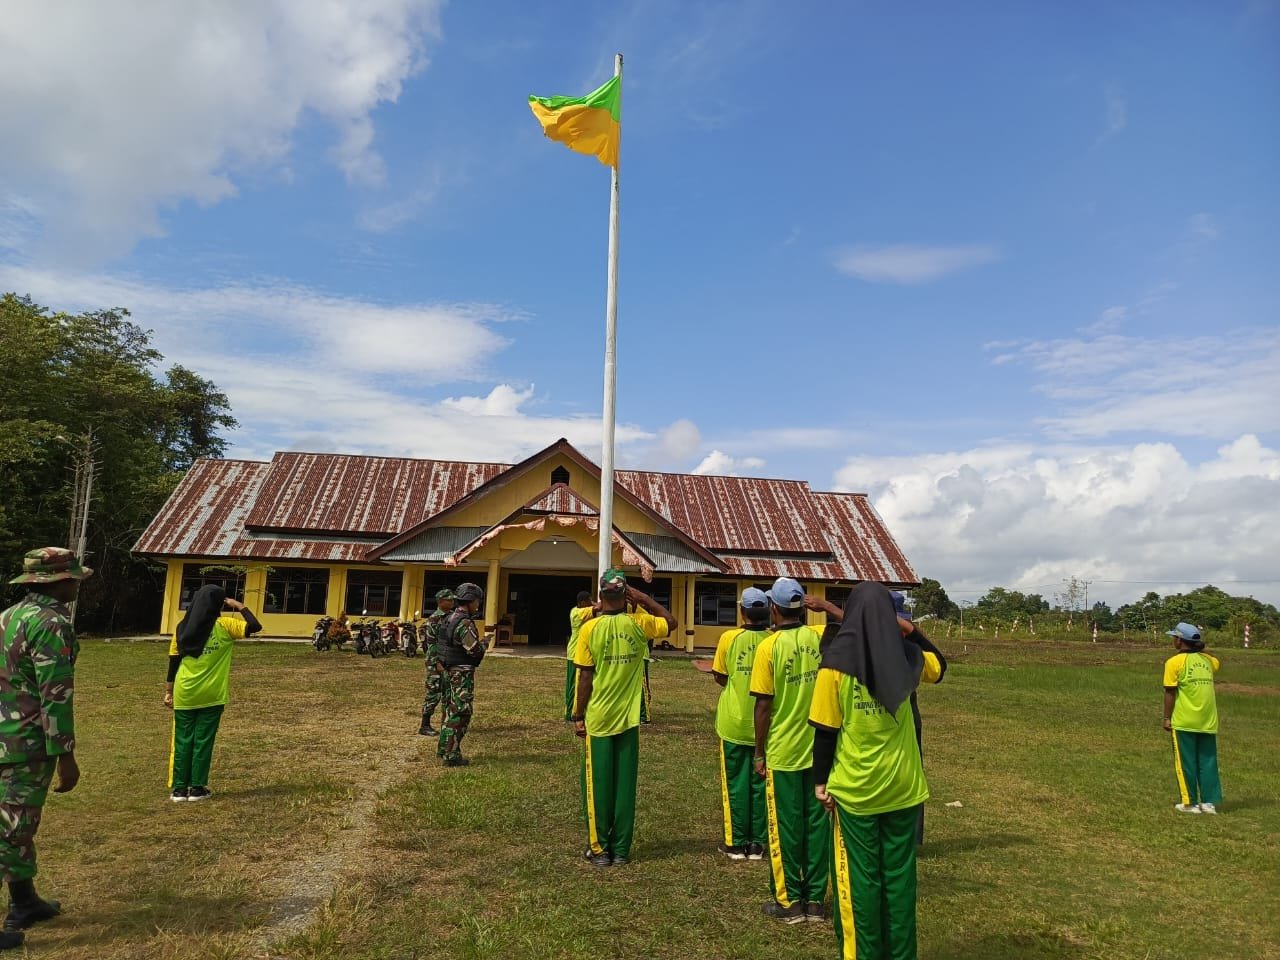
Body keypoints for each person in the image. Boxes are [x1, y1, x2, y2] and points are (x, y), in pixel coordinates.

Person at [809, 581, 944, 960]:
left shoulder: (834, 664)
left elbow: (825, 732)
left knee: (862, 880)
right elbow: (940, 665)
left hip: (857, 791)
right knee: (899, 882)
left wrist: (820, 782)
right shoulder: (908, 657)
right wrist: (910, 629)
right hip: (903, 787)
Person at [0, 548, 89, 951]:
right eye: (73, 578)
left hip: (5, 734)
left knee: (14, 823)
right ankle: (18, 909)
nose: (77, 584)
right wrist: (65, 754)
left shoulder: (9, 616)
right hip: (25, 744)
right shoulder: (51, 623)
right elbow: (55, 693)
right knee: (11, 830)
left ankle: (24, 902)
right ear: (59, 582)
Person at [572, 569, 675, 866]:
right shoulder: (640, 624)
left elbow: (585, 676)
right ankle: (621, 850)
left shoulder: (590, 629)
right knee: (624, 787)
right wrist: (645, 599)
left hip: (600, 718)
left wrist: (578, 714)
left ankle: (600, 849)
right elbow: (671, 623)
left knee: (598, 784)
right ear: (626, 594)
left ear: (601, 594)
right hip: (628, 719)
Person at [750, 576, 828, 923]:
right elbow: (852, 625)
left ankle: (789, 902)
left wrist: (759, 751)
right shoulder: (819, 637)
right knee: (817, 827)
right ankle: (815, 901)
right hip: (821, 750)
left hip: (784, 752)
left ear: (774, 608)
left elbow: (763, 705)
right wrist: (826, 606)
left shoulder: (769, 647)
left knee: (785, 828)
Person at [165, 584, 262, 801]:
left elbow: (173, 663)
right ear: (219, 604)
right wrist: (239, 606)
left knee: (182, 740)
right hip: (212, 694)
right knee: (203, 741)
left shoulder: (181, 628)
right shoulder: (225, 625)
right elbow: (255, 626)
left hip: (185, 692)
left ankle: (179, 790)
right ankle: (197, 788)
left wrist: (168, 692)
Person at [710, 587, 772, 860]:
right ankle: (757, 843)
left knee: (735, 783)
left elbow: (720, 675)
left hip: (734, 722)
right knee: (760, 783)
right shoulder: (773, 639)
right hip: (767, 725)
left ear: (742, 611)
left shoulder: (729, 638)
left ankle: (735, 842)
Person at [1163, 622, 1222, 814]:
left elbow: (1170, 692)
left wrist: (1166, 717)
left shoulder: (1173, 663)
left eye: (1174, 637)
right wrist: (1199, 648)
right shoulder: (1208, 661)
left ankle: (1190, 803)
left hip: (1185, 721)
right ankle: (1208, 802)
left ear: (1179, 640)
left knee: (1186, 762)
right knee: (1208, 761)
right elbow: (1214, 660)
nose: (1173, 640)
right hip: (1208, 720)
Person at [436, 582, 485, 767]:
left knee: (449, 712)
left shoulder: (449, 618)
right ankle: (451, 755)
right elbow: (473, 650)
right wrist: (483, 645)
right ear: (470, 601)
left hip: (448, 671)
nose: (478, 605)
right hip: (460, 673)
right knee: (460, 713)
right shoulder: (464, 622)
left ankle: (444, 749)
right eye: (477, 601)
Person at [419, 589, 455, 736]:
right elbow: (432, 644)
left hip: (447, 659)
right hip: (436, 661)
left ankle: (446, 722)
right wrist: (437, 663)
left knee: (448, 692)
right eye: (449, 600)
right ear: (440, 602)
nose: (452, 602)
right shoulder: (435, 619)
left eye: (452, 600)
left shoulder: (451, 616)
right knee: (434, 692)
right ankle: (424, 725)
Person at [564, 591, 593, 721]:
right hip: (575, 654)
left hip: (581, 653)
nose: (591, 603)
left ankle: (577, 711)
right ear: (582, 602)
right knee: (573, 685)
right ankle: (570, 713)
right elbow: (598, 607)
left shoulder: (583, 611)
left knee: (580, 684)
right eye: (589, 601)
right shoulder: (577, 612)